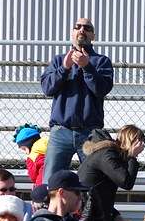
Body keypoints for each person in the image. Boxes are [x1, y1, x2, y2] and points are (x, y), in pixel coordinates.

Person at [40, 17, 114, 179]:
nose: (82, 30)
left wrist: (87, 67)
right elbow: (47, 88)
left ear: (93, 36)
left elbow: (101, 89)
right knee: (51, 183)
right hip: (61, 131)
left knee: (94, 182)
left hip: (90, 132)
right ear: (72, 33)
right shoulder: (59, 60)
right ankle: (48, 206)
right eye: (77, 27)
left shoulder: (101, 61)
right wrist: (65, 68)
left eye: (87, 28)